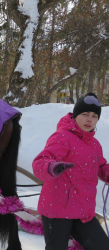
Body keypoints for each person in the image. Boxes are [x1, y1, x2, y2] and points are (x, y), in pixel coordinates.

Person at [32, 92, 109, 250]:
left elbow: (101, 168)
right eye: (85, 114)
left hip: (83, 211)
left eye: (94, 116)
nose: (90, 119)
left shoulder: (94, 144)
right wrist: (52, 166)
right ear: (75, 115)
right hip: (57, 209)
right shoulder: (62, 137)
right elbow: (40, 162)